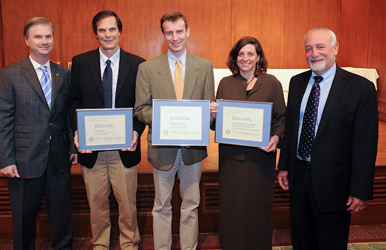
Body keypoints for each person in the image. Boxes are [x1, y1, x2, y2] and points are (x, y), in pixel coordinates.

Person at [277, 28, 378, 250]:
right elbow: (292, 128)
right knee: (301, 241)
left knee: (331, 243)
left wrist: (360, 189)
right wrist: (283, 166)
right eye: (309, 48)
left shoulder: (360, 88)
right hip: (299, 177)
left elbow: (365, 144)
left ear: (335, 48)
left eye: (320, 47)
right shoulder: (297, 83)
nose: (314, 53)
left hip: (335, 184)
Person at [0, 17, 77, 250]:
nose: (44, 41)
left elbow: (65, 116)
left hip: (58, 158)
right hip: (23, 160)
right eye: (38, 36)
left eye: (48, 36)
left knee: (61, 218)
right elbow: (3, 120)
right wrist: (6, 159)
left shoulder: (63, 73)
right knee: (23, 219)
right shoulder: (9, 74)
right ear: (26, 40)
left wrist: (72, 147)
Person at [134, 12, 215, 250]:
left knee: (191, 204)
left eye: (179, 31)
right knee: (162, 206)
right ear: (163, 35)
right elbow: (141, 109)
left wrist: (210, 114)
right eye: (169, 32)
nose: (175, 37)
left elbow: (207, 107)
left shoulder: (205, 66)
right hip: (163, 149)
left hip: (193, 150)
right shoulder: (147, 68)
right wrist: (166, 121)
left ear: (188, 32)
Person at [67, 10, 145, 250]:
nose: (108, 34)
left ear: (120, 31)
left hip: (124, 147)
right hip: (92, 150)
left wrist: (135, 131)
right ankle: (100, 243)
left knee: (127, 204)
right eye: (102, 30)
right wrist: (78, 131)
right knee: (96, 202)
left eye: (112, 29)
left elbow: (142, 105)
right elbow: (73, 101)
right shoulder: (80, 62)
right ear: (96, 34)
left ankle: (129, 243)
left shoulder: (138, 64)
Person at [209, 36, 286, 249]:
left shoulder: (271, 83)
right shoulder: (225, 83)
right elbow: (217, 126)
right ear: (235, 57)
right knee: (232, 207)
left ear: (258, 57)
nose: (245, 58)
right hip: (231, 160)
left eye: (250, 53)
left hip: (260, 159)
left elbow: (281, 118)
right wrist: (214, 116)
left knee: (258, 207)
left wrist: (275, 137)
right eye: (241, 54)